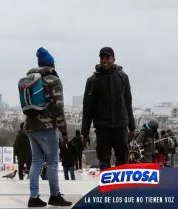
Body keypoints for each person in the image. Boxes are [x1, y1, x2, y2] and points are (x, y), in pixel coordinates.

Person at [24, 47, 72, 207]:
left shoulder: (30, 78)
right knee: (52, 162)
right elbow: (58, 108)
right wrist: (64, 131)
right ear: (52, 64)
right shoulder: (53, 80)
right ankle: (55, 195)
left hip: (30, 126)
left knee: (36, 161)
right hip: (46, 127)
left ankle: (34, 197)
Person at [81, 47, 135, 171]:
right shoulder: (92, 80)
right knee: (104, 160)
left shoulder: (122, 77)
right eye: (102, 58)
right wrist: (85, 132)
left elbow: (128, 102)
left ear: (113, 59)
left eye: (107, 57)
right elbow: (87, 108)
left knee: (122, 158)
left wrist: (132, 127)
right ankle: (107, 188)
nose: (104, 60)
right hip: (102, 127)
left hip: (120, 126)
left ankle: (121, 188)